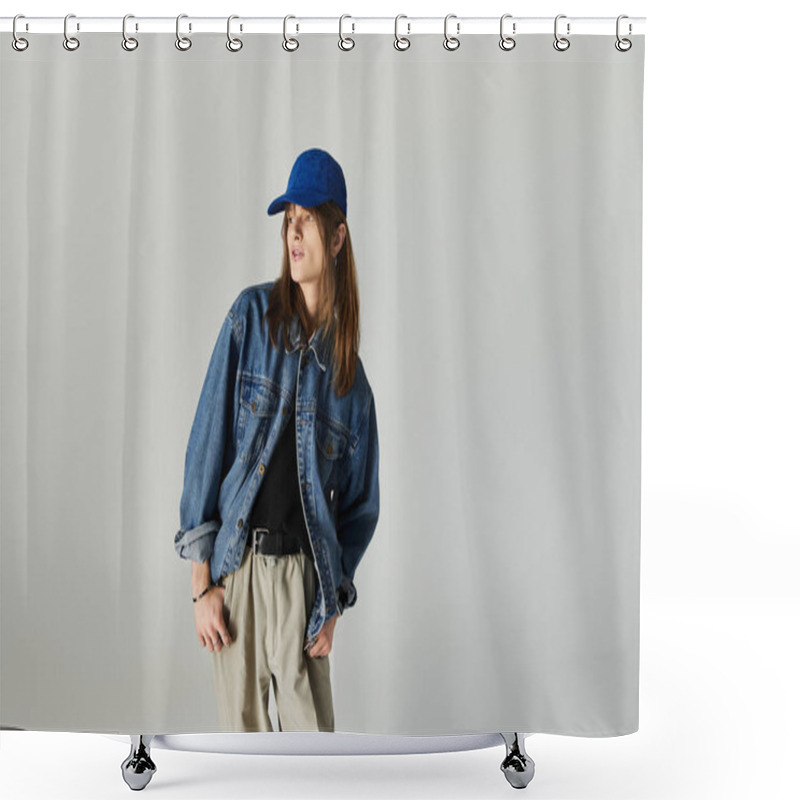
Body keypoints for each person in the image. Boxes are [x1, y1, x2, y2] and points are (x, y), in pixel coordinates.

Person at [173, 148, 380, 732]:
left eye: (307, 222)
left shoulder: (350, 383)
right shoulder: (249, 317)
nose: (294, 236)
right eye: (289, 221)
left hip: (302, 584)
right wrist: (201, 586)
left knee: (313, 760)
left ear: (337, 238)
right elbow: (205, 449)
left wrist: (332, 599)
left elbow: (362, 508)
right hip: (235, 572)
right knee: (242, 760)